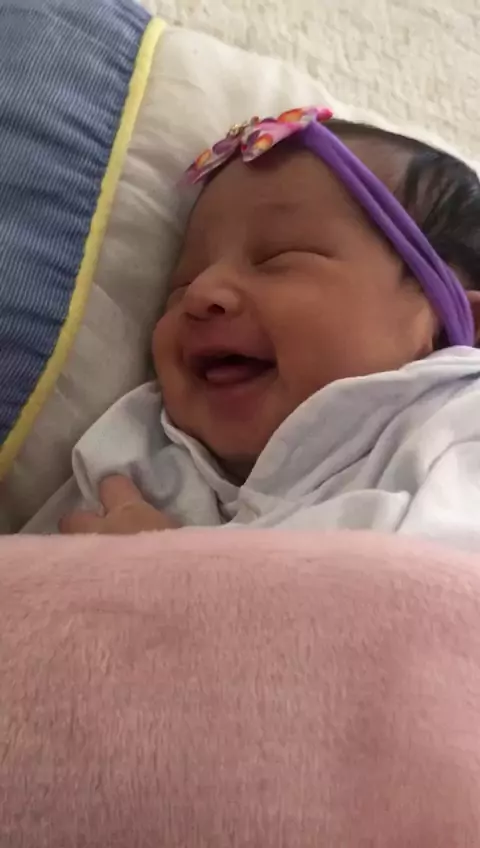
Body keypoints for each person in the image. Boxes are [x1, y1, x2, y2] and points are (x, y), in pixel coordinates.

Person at [26, 107, 480, 547]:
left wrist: (177, 573)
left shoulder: (454, 430)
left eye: (278, 258)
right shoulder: (139, 451)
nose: (201, 292)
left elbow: (443, 590)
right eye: (181, 281)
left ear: (451, 327)